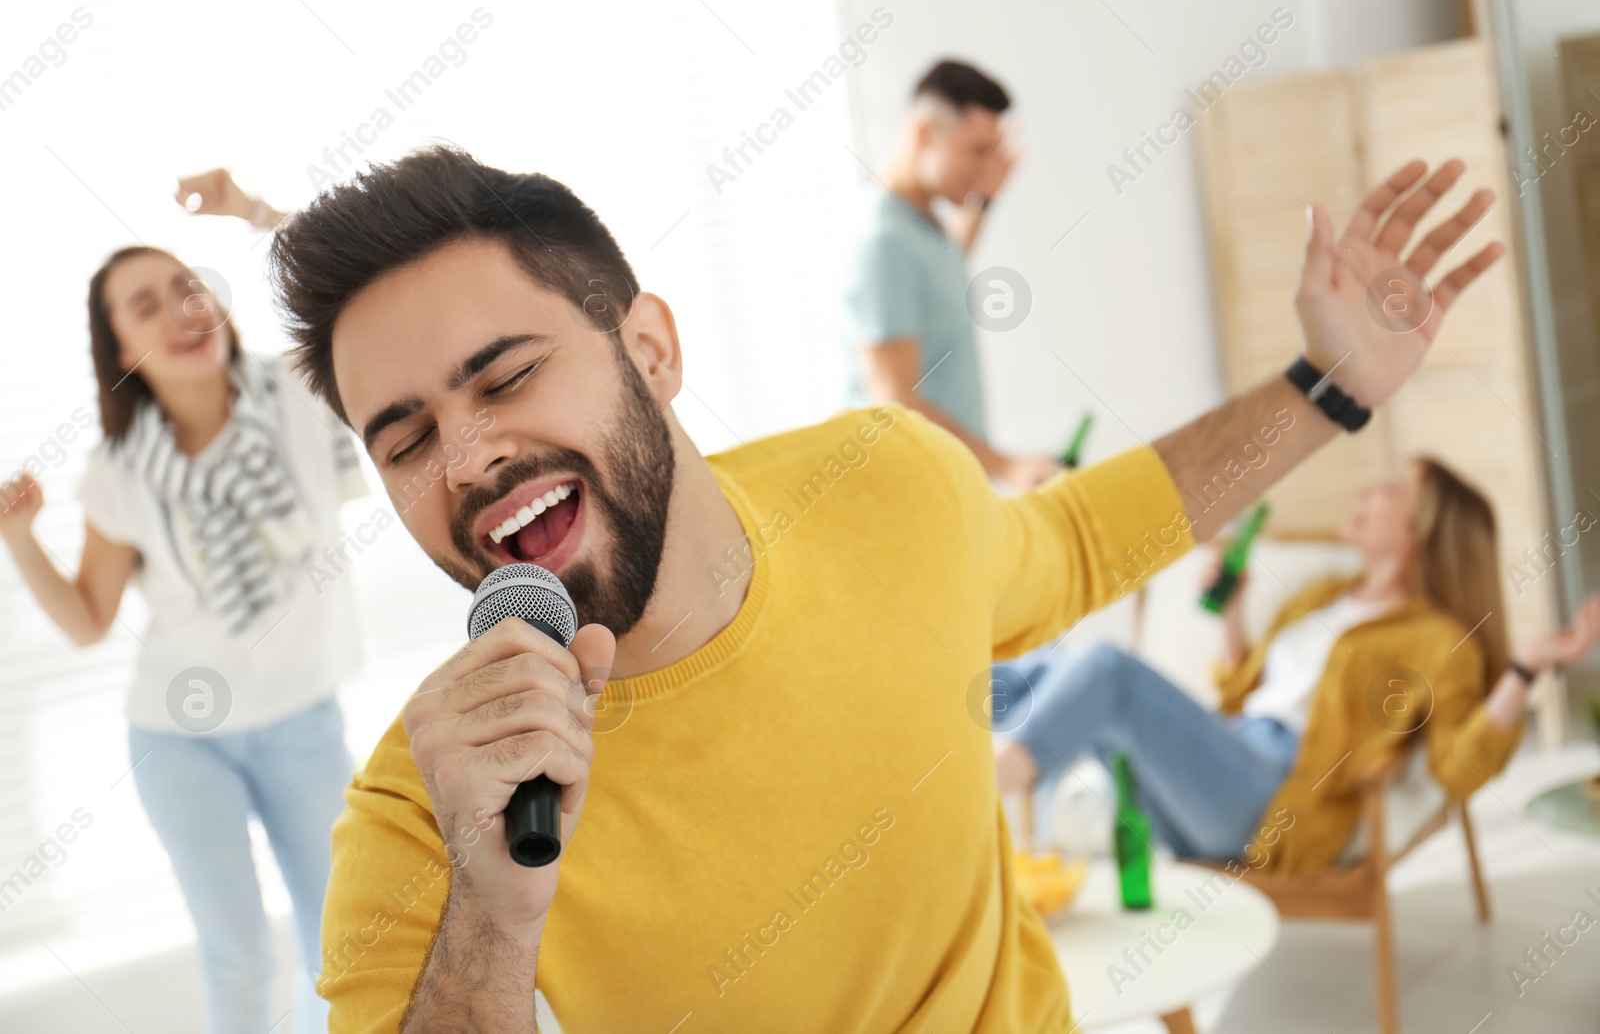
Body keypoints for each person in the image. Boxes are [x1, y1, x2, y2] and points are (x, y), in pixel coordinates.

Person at [263, 142, 1504, 1032]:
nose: (468, 456)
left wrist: (1325, 388)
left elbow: (1076, 539)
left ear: (651, 348)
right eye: (406, 437)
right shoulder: (425, 810)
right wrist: (493, 906)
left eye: (504, 376)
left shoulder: (883, 478)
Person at [0, 171, 361, 1034]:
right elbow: (89, 622)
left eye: (187, 288)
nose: (180, 312)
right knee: (239, 966)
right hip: (179, 739)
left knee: (344, 953)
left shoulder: (305, 392)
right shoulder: (118, 473)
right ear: (121, 350)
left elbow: (354, 276)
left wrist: (251, 212)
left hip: (304, 720)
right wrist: (18, 539)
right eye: (145, 306)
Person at [992, 458, 1600, 871]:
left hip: (1269, 800)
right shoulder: (1326, 596)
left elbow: (1458, 768)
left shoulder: (1439, 641)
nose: (1365, 492)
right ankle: (930, 742)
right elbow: (1243, 693)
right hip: (1220, 767)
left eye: (1388, 489)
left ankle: (980, 792)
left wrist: (1525, 669)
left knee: (1107, 670)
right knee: (1047, 667)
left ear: (1420, 529)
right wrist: (1232, 616)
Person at [842, 59, 1061, 492]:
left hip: (947, 486)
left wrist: (983, 200)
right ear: (923, 134)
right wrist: (1009, 466)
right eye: (977, 150)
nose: (987, 166)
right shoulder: (883, 242)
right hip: (911, 493)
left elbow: (944, 267)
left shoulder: (922, 222)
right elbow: (894, 400)